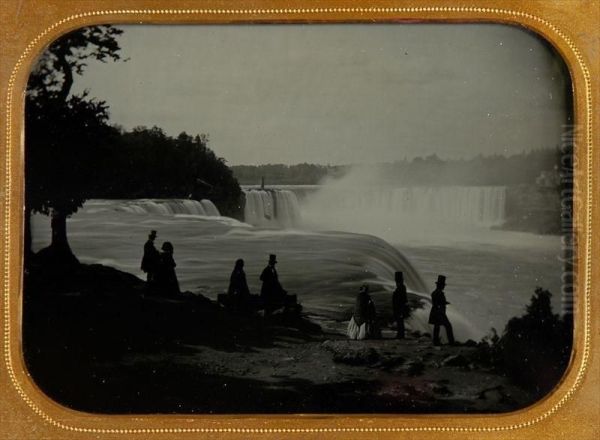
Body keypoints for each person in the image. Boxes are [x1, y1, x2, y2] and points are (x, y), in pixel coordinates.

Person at [428, 275, 455, 346]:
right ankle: (451, 342)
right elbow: (437, 303)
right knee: (448, 326)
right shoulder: (438, 293)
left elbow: (436, 302)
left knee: (437, 326)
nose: (444, 286)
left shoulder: (435, 292)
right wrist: (443, 303)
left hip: (437, 311)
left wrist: (444, 303)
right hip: (439, 312)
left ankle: (436, 341)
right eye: (443, 285)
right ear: (440, 285)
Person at [392, 271, 410, 339]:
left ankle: (400, 334)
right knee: (400, 321)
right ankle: (400, 334)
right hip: (399, 307)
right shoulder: (401, 287)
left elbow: (401, 299)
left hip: (399, 307)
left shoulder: (401, 287)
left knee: (400, 321)